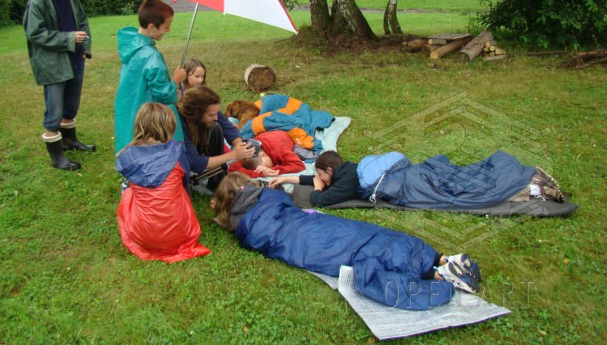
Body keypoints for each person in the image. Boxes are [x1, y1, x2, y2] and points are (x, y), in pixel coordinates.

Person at [211, 172, 482, 310]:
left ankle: (439, 275)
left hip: (305, 241)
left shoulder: (241, 225)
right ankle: (439, 262)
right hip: (312, 227)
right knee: (366, 237)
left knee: (361, 251)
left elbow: (251, 231)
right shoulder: (271, 197)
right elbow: (281, 203)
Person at [269, 150, 567, 210]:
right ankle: (529, 178)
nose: (317, 178)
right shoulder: (350, 168)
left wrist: (317, 189)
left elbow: (321, 199)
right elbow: (309, 178)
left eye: (320, 174)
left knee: (459, 190)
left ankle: (529, 186)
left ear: (329, 172)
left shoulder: (345, 184)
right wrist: (283, 177)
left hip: (411, 184)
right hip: (413, 172)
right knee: (458, 175)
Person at [23, 0, 95, 171]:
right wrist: (69, 39)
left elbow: (82, 21)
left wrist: (84, 48)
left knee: (71, 106)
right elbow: (34, 33)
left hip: (75, 58)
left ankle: (69, 141)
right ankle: (56, 158)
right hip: (53, 63)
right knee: (54, 111)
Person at [116, 102, 210, 262]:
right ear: (170, 126)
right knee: (177, 189)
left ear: (139, 125)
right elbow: (185, 182)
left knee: (128, 190)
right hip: (180, 233)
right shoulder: (178, 151)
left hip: (143, 235)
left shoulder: (127, 155)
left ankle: (145, 226)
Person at [114, 0, 186, 154]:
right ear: (151, 27)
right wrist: (176, 80)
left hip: (132, 110)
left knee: (133, 147)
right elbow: (163, 94)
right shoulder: (151, 56)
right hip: (149, 117)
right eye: (166, 27)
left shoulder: (132, 46)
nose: (168, 30)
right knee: (153, 152)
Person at [177, 85, 255, 188]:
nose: (216, 117)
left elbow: (229, 128)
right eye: (211, 115)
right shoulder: (178, 126)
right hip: (180, 164)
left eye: (216, 113)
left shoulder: (210, 110)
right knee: (215, 127)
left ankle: (217, 179)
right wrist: (233, 155)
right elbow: (195, 163)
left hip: (197, 152)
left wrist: (240, 146)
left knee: (216, 126)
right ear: (196, 113)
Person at [228, 130, 306, 178]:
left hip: (279, 134)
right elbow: (233, 169)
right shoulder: (247, 154)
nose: (266, 168)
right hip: (267, 134)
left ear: (263, 155)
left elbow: (299, 165)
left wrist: (272, 170)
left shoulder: (278, 148)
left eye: (265, 166)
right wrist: (261, 173)